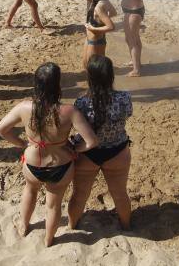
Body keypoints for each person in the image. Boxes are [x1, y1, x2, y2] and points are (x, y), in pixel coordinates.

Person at [0, 62, 98, 247]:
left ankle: (24, 225)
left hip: (32, 163)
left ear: (36, 83)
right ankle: (49, 240)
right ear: (57, 84)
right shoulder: (69, 111)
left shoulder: (24, 108)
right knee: (53, 205)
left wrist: (21, 143)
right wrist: (75, 149)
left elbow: (0, 130)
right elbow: (92, 142)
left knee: (30, 191)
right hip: (61, 165)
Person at [67, 55, 133, 230]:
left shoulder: (81, 102)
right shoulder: (124, 98)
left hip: (87, 153)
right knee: (120, 195)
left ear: (89, 77)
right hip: (117, 151)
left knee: (79, 195)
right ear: (111, 76)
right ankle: (126, 226)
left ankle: (72, 225)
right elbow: (127, 115)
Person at [115, 0, 153, 77]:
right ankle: (135, 61)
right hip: (132, 11)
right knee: (132, 38)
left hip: (133, 12)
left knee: (133, 40)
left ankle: (136, 70)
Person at [79, 0, 116, 67]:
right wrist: (101, 20)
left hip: (96, 42)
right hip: (90, 40)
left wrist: (94, 29)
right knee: (85, 65)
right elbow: (113, 12)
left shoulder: (98, 8)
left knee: (93, 68)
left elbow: (111, 27)